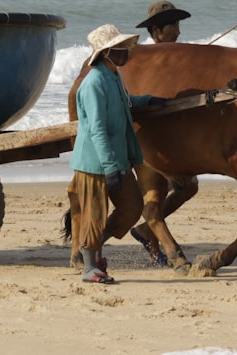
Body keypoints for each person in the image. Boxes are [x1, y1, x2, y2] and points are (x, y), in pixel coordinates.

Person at [69, 24, 165, 284]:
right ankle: (90, 267)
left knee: (132, 207)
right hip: (94, 163)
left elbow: (126, 102)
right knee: (94, 214)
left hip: (117, 159)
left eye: (124, 47)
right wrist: (110, 166)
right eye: (119, 49)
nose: (125, 52)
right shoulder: (93, 83)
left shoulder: (113, 77)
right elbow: (97, 129)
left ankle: (96, 247)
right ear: (106, 53)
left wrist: (149, 100)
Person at [131, 0, 199, 266]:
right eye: (173, 26)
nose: (179, 32)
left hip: (171, 138)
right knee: (183, 186)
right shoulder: (145, 62)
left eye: (179, 26)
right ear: (157, 32)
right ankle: (151, 237)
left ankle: (149, 235)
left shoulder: (175, 60)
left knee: (183, 188)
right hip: (150, 139)